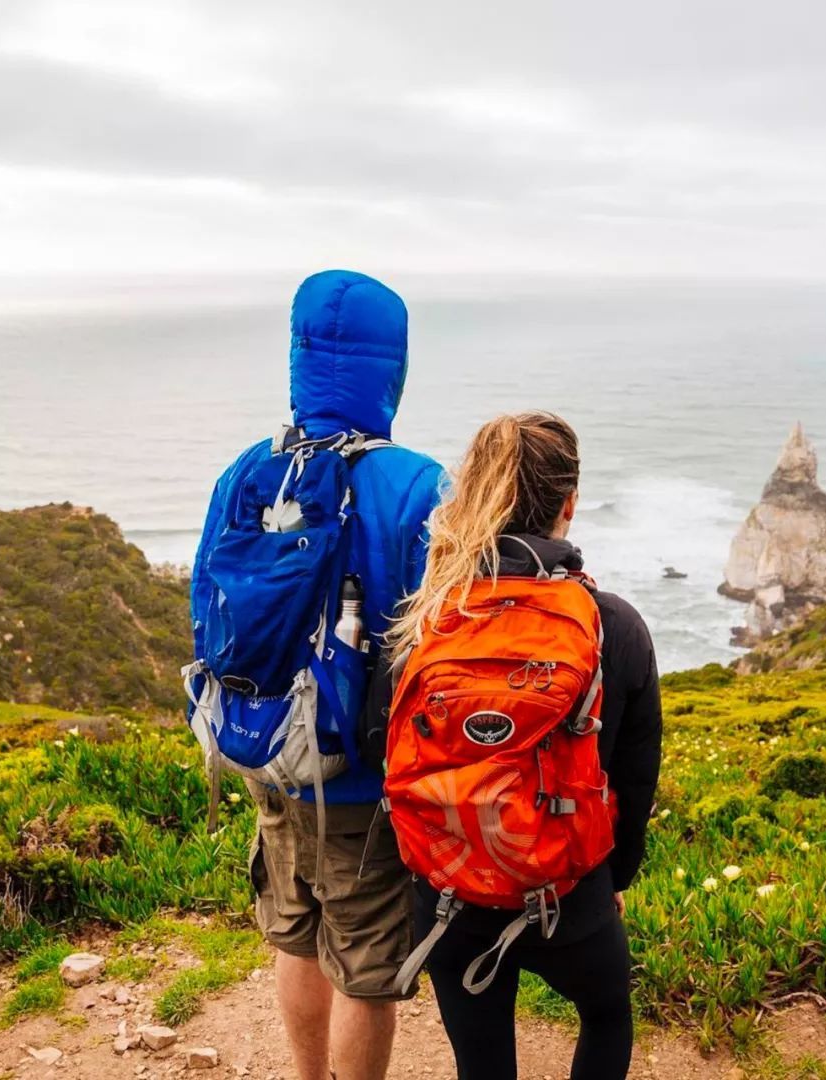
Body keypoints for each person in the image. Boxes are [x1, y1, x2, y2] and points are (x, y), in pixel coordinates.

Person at [189, 270, 443, 1080]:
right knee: (366, 967)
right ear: (391, 365)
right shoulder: (417, 483)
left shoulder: (247, 471)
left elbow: (205, 600)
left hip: (264, 745)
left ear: (299, 354)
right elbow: (436, 642)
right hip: (359, 776)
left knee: (295, 931)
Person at [384, 412, 662, 1080]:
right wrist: (612, 882)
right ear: (569, 504)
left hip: (448, 893)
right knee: (605, 1015)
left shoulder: (425, 616)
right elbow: (633, 776)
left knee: (482, 1064)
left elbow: (384, 749)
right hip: (567, 892)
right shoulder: (611, 624)